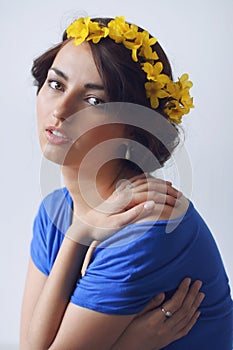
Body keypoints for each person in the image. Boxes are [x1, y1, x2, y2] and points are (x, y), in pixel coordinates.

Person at [20, 15, 232, 349]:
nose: (60, 110)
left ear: (133, 126)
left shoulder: (147, 227)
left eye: (94, 101)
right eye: (56, 84)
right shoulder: (57, 211)